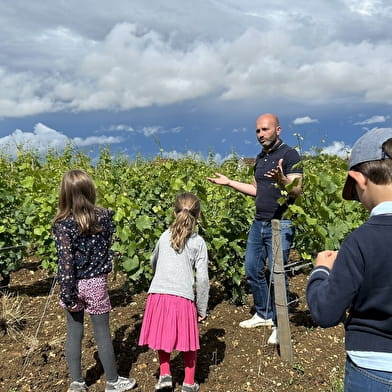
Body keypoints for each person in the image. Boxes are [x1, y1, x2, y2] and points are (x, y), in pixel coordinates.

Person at [306, 129, 392, 391]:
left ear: (359, 179)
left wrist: (321, 270)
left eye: (355, 192)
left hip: (372, 367)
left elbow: (326, 312)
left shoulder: (361, 241)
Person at [207, 113, 302, 344]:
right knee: (252, 268)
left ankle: (281, 325)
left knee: (277, 274)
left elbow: (297, 190)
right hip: (259, 222)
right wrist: (230, 183)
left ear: (278, 130)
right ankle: (264, 314)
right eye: (258, 131)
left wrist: (283, 181)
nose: (261, 134)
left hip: (280, 223)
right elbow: (256, 190)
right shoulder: (260, 158)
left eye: (265, 130)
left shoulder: (290, 155)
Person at [52, 169, 136, 392]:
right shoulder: (104, 217)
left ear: (64, 194)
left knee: (74, 332)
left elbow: (66, 263)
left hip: (73, 284)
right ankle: (113, 382)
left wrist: (67, 293)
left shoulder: (61, 225)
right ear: (90, 190)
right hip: (96, 283)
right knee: (102, 332)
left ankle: (77, 383)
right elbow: (108, 241)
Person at [138, 192, 210, 392]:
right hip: (183, 297)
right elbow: (203, 279)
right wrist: (202, 308)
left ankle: (165, 376)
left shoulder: (164, 236)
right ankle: (188, 383)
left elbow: (153, 261)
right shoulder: (199, 242)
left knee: (162, 336)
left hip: (159, 294)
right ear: (198, 214)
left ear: (174, 212)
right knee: (188, 341)